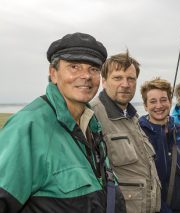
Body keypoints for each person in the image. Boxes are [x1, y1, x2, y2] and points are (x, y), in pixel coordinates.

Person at [0, 32, 122, 212]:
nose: (86, 76)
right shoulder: (28, 126)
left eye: (94, 69)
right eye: (74, 66)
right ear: (53, 74)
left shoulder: (91, 123)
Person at [91, 51, 161, 213]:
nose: (125, 84)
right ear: (104, 81)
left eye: (131, 79)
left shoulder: (133, 117)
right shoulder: (93, 115)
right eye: (117, 78)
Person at [138, 77, 180, 213]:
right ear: (145, 105)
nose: (159, 106)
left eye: (163, 100)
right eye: (152, 101)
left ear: (170, 101)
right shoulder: (138, 134)